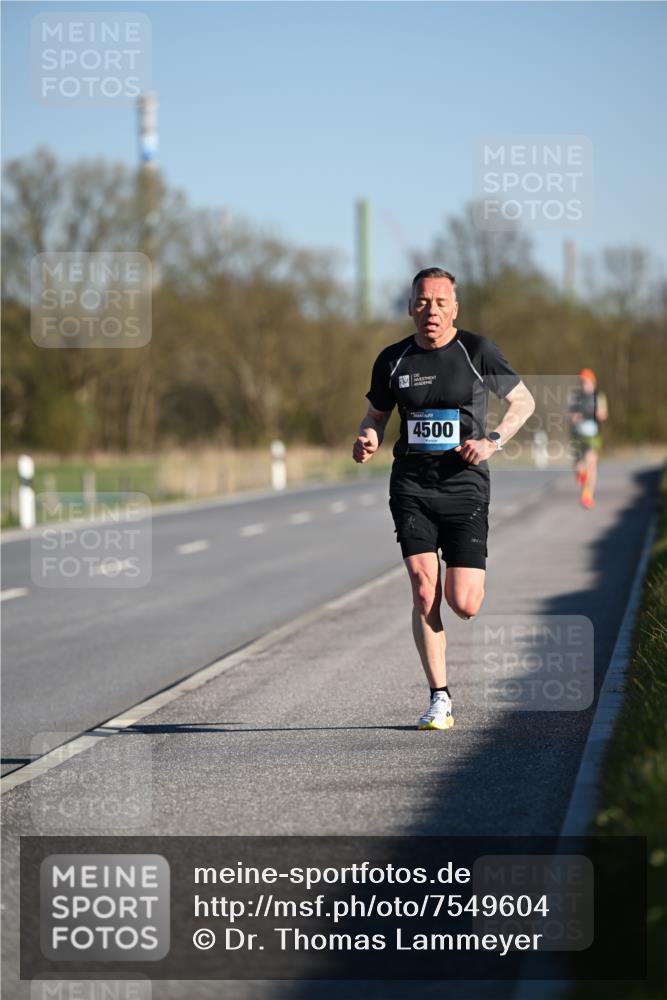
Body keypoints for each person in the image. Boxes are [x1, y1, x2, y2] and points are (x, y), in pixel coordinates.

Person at [352, 267, 535, 730]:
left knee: (464, 602)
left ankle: (458, 611)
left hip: (464, 485)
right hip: (412, 486)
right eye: (422, 302)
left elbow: (524, 402)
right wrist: (368, 436)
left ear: (454, 308)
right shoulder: (393, 359)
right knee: (423, 590)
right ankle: (439, 697)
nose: (430, 310)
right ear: (410, 307)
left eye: (439, 302)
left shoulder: (477, 351)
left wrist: (492, 441)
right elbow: (375, 416)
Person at [568, 368, 608, 509]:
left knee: (591, 462)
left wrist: (592, 412)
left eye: (586, 381)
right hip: (577, 435)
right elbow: (568, 415)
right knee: (579, 466)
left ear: (592, 382)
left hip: (592, 435)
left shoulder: (598, 396)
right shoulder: (575, 397)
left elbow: (603, 415)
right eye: (582, 382)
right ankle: (582, 477)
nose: (584, 384)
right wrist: (575, 417)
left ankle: (588, 494)